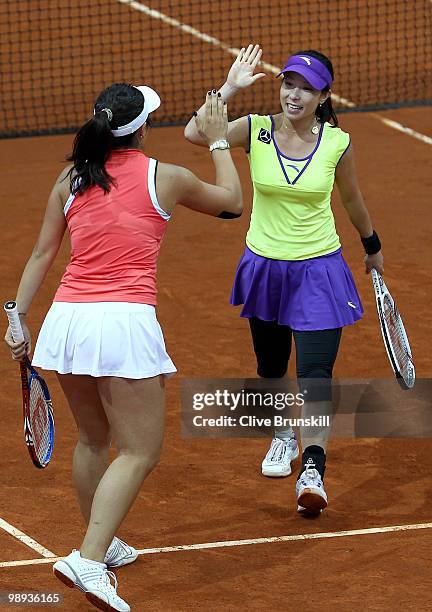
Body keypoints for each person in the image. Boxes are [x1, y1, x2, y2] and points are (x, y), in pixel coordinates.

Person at [4, 84, 242, 612]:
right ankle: (87, 559)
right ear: (140, 130)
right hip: (121, 324)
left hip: (67, 323)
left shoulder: (70, 178)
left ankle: (102, 540)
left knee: (93, 439)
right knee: (139, 451)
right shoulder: (167, 176)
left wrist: (15, 315)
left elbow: (44, 252)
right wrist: (221, 141)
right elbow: (233, 204)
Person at [185, 45, 384, 515]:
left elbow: (352, 200)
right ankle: (281, 432)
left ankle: (312, 468)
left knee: (315, 375)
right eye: (289, 84)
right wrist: (230, 86)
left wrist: (371, 245)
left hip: (319, 269)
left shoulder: (338, 143)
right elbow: (197, 132)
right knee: (271, 368)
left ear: (324, 95)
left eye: (306, 88)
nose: (294, 94)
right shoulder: (255, 128)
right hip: (266, 269)